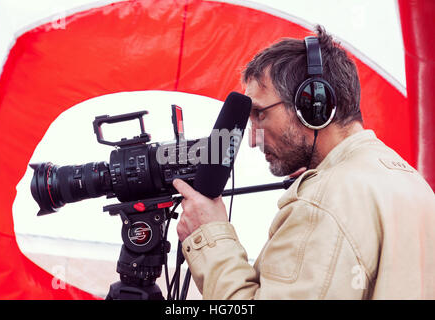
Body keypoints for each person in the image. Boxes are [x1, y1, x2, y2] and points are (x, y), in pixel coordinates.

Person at [172, 26, 435, 299]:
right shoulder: (411, 182)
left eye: (260, 114)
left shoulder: (325, 200)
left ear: (313, 105)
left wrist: (210, 238)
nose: (251, 140)